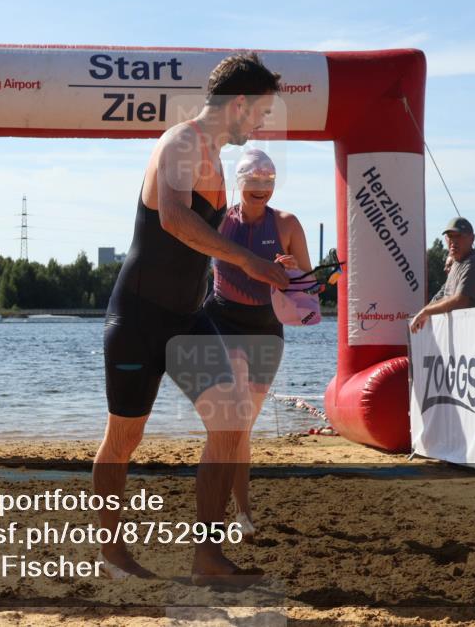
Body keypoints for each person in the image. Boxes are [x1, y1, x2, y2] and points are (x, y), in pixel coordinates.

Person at [96, 53, 288, 584]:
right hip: (138, 317)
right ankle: (112, 554)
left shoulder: (217, 156)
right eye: (262, 110)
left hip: (187, 317)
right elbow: (175, 218)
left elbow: (208, 240)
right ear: (240, 103)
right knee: (122, 441)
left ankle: (207, 557)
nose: (263, 123)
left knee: (230, 423)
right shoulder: (181, 141)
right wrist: (249, 261)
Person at [204, 148, 312, 540]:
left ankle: (241, 511)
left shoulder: (286, 224)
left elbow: (308, 285)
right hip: (222, 321)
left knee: (243, 427)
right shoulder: (217, 222)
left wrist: (291, 272)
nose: (261, 189)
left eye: (268, 183)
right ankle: (235, 513)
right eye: (254, 183)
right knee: (232, 420)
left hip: (266, 328)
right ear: (239, 183)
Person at [410, 217, 475, 333]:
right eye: (450, 236)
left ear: (472, 238)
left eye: (459, 236)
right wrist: (424, 311)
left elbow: (460, 301)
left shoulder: (474, 262)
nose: (453, 241)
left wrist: (426, 312)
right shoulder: (457, 263)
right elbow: (445, 296)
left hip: (474, 336)